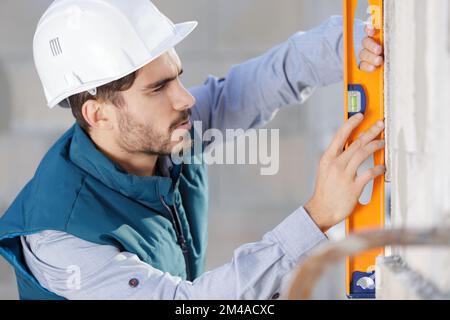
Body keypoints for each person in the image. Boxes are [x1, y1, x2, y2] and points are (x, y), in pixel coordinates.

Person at [0, 0, 384, 300]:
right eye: (157, 88)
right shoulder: (65, 242)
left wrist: (351, 46)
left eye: (178, 77)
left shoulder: (161, 131)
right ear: (98, 113)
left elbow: (254, 87)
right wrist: (316, 216)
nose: (185, 99)